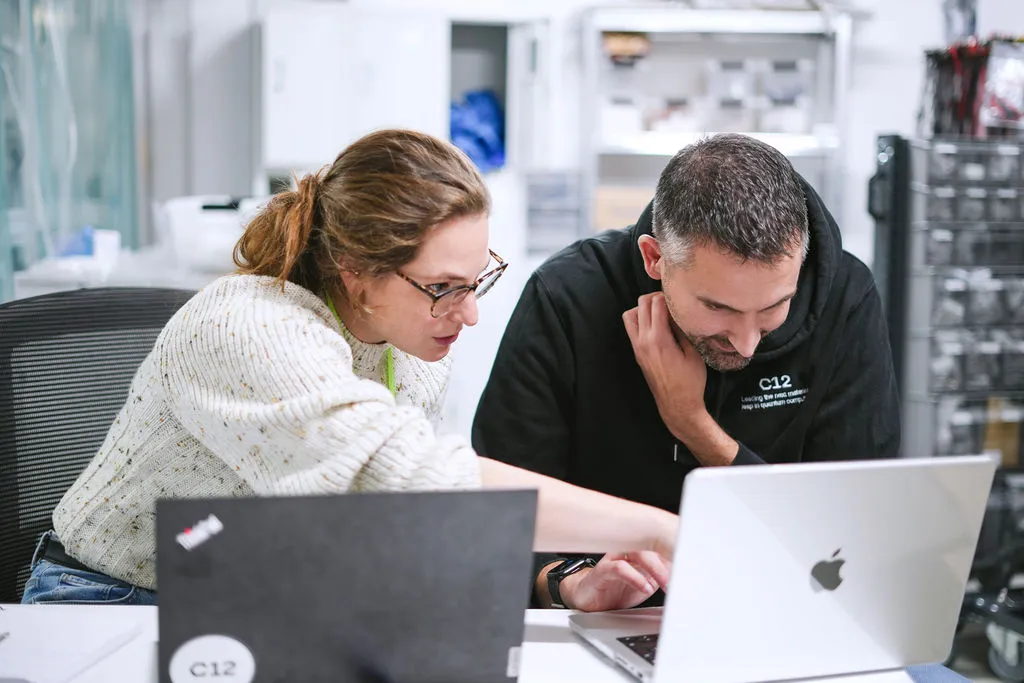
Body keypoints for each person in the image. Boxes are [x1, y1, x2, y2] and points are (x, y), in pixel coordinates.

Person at [21, 129, 676, 605]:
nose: (469, 314)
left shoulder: (410, 352)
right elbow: (412, 478)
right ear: (355, 270)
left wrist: (567, 583)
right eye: (446, 286)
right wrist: (666, 528)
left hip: (257, 597)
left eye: (479, 279)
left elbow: (401, 521)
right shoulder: (248, 324)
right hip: (112, 600)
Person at [472, 133, 901, 613]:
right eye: (718, 308)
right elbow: (495, 518)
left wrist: (691, 422)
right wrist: (570, 583)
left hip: (784, 609)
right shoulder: (568, 298)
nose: (746, 341)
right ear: (655, 259)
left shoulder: (845, 297)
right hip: (606, 627)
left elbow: (852, 528)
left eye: (776, 306)